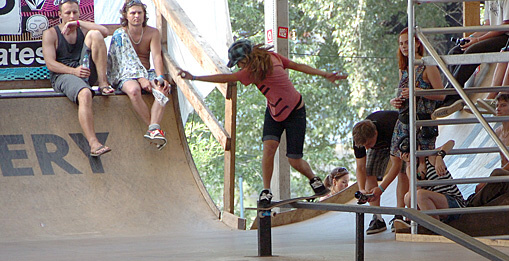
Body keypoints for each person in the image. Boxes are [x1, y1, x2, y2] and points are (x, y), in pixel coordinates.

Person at [178, 39, 346, 206]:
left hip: (295, 112)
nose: (239, 67)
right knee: (268, 149)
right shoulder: (269, 57)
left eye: (239, 63)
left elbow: (226, 77)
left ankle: (314, 180)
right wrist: (324, 74)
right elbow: (298, 66)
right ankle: (266, 190)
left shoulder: (257, 67)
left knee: (294, 160)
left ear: (246, 59)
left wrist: (195, 77)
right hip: (274, 112)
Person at [380, 27, 443, 234]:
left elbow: (441, 94)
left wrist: (418, 92)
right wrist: (396, 101)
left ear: (417, 43)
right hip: (404, 122)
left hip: (422, 122)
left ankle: (418, 211)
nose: (404, 47)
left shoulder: (427, 65)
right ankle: (402, 212)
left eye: (407, 42)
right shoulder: (404, 68)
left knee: (419, 166)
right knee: (402, 168)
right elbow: (402, 93)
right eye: (401, 44)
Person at [432, 0, 509, 119]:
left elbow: (508, 25)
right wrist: (471, 38)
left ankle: (450, 94)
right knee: (455, 52)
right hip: (499, 34)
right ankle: (456, 94)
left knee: (473, 51)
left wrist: (478, 40)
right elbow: (488, 25)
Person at [42, 0, 114, 157]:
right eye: (67, 13)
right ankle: (94, 144)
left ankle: (103, 83)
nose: (71, 16)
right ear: (60, 15)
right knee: (85, 93)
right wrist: (74, 71)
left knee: (96, 34)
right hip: (63, 75)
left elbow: (105, 31)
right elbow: (50, 64)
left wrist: (79, 23)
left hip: (84, 70)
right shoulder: (51, 34)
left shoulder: (82, 28)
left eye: (75, 12)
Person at [107, 0, 171, 149]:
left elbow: (156, 56)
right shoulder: (119, 34)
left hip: (147, 72)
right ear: (126, 15)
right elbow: (121, 62)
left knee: (162, 88)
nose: (136, 16)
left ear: (144, 14)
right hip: (125, 75)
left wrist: (160, 77)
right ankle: (154, 129)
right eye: (133, 13)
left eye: (139, 13)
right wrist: (140, 78)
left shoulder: (152, 33)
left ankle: (153, 129)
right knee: (134, 90)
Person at [466, 93, 509, 207]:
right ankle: (472, 201)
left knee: (497, 174)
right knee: (496, 176)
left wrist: (487, 180)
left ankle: (472, 205)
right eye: (497, 105)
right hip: (504, 175)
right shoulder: (498, 131)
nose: (498, 108)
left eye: (503, 105)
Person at [352, 111, 399, 234]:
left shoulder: (389, 128)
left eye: (368, 144)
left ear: (375, 134)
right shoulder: (359, 138)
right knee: (369, 171)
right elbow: (361, 167)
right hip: (380, 142)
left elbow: (397, 165)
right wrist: (362, 189)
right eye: (364, 146)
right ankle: (377, 217)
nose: (366, 148)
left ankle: (400, 214)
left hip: (398, 134)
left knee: (404, 171)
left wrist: (381, 188)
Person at [401, 139, 467, 225]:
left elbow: (451, 142)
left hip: (453, 202)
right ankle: (420, 225)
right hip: (435, 208)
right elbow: (413, 193)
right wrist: (412, 166)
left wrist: (440, 157)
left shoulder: (431, 157)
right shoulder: (411, 169)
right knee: (408, 197)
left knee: (420, 195)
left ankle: (436, 227)